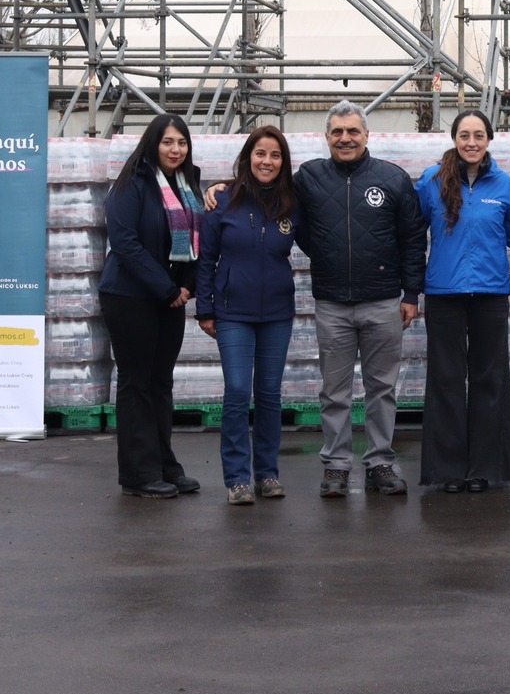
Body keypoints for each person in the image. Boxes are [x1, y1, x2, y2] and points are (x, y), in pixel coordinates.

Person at [299, 100, 426, 498]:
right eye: (337, 132)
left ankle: (380, 463)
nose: (345, 138)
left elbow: (412, 239)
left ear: (367, 135)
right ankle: (336, 466)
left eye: (353, 131)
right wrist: (221, 187)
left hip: (384, 302)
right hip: (332, 303)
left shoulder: (392, 179)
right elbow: (268, 195)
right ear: (327, 137)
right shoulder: (309, 177)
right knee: (333, 392)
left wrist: (410, 294)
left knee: (381, 389)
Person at [414, 110, 510, 493]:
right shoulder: (431, 181)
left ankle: (485, 469)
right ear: (455, 138)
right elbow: (411, 231)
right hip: (444, 294)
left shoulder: (504, 185)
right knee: (445, 381)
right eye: (464, 135)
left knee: (488, 381)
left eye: (479, 135)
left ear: (489, 140)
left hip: (490, 295)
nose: (472, 142)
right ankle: (447, 471)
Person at [99, 114, 204, 499]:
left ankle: (164, 465)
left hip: (171, 297)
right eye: (167, 142)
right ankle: (139, 475)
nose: (175, 150)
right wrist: (166, 288)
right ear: (152, 144)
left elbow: (198, 240)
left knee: (160, 384)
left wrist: (187, 286)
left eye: (181, 143)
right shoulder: (132, 185)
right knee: (136, 383)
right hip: (130, 297)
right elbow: (125, 243)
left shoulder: (187, 184)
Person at [196, 127, 302, 506]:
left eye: (275, 155)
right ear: (248, 157)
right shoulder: (223, 202)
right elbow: (206, 258)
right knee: (239, 391)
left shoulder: (293, 203)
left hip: (276, 312)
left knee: (269, 395)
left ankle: (268, 474)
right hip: (232, 312)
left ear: (283, 162)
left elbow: (323, 241)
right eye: (260, 153)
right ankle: (238, 478)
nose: (267, 161)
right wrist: (205, 308)